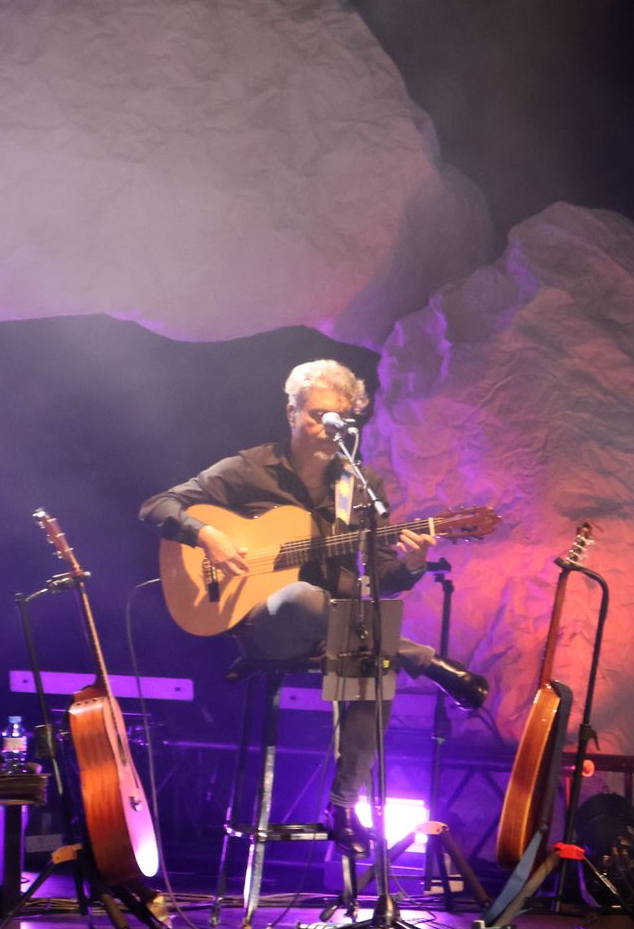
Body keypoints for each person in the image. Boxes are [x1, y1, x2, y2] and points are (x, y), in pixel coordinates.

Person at [140, 359, 487, 857]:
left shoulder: (359, 487)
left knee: (375, 656)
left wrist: (414, 562)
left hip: (339, 629)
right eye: (317, 415)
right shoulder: (251, 468)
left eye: (339, 419)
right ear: (291, 410)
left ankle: (345, 804)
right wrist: (207, 534)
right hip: (266, 626)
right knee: (307, 599)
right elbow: (157, 505)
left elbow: (383, 580)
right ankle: (426, 660)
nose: (327, 429)